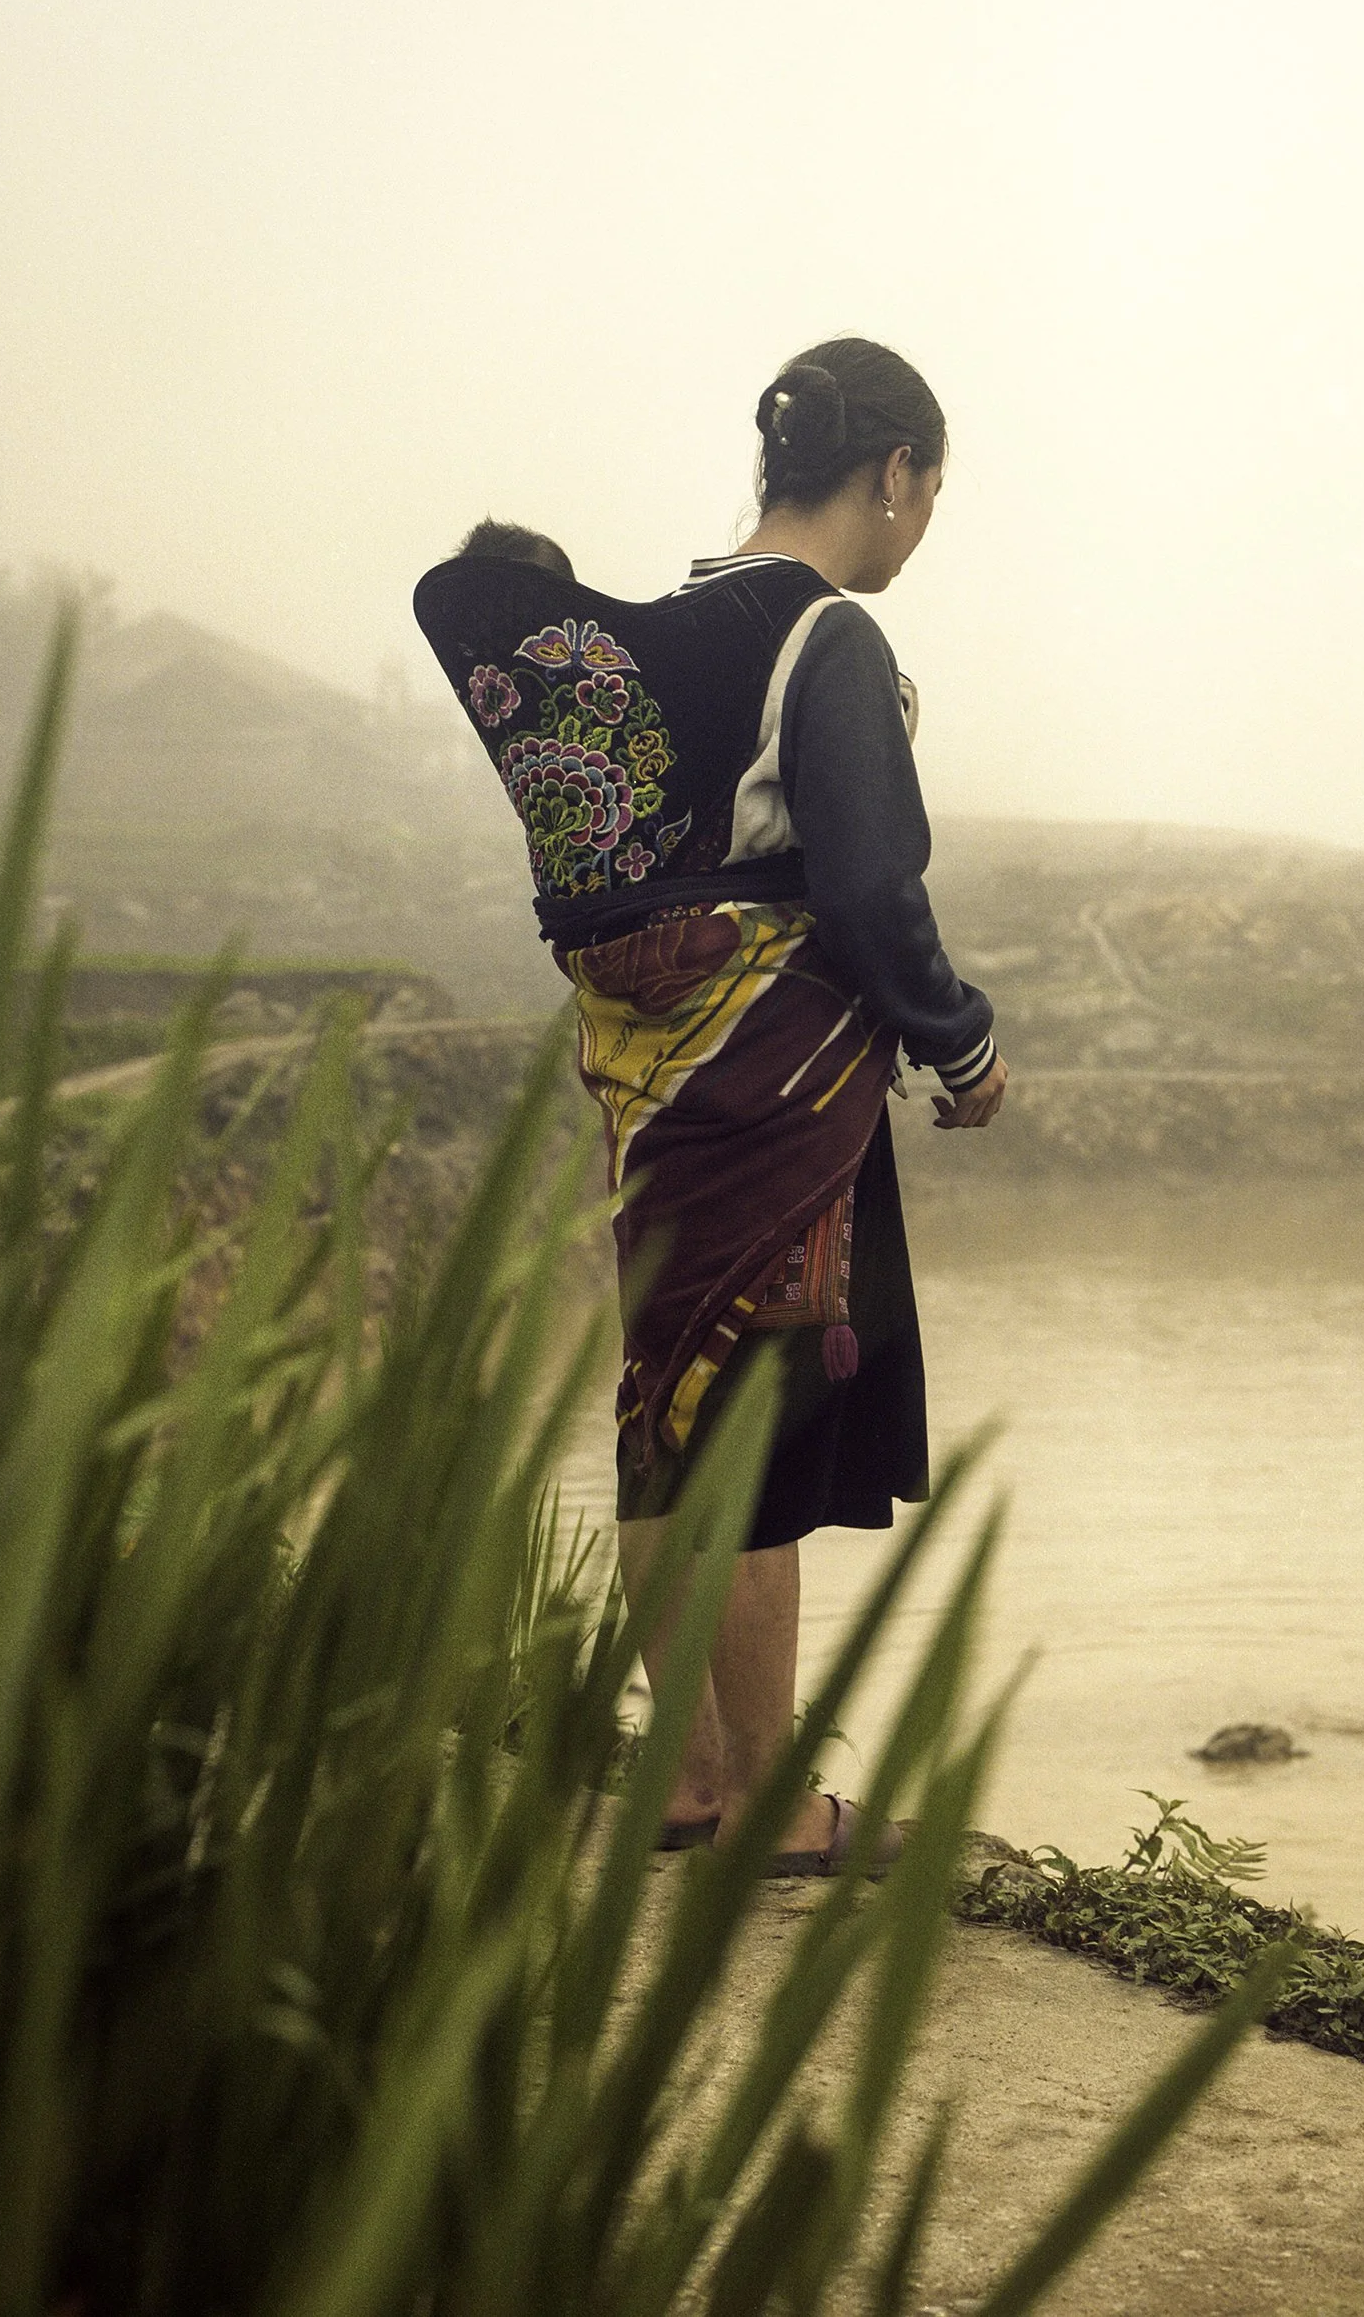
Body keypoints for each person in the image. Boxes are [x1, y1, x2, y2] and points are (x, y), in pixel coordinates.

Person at [413, 337, 1006, 1870]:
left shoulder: (642, 643)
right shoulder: (824, 642)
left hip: (646, 1074)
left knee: (663, 1401)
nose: (921, 524)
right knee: (761, 1419)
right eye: (928, 493)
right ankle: (771, 1801)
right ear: (892, 476)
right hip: (780, 1071)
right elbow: (874, 888)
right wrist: (962, 1042)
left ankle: (678, 1777)